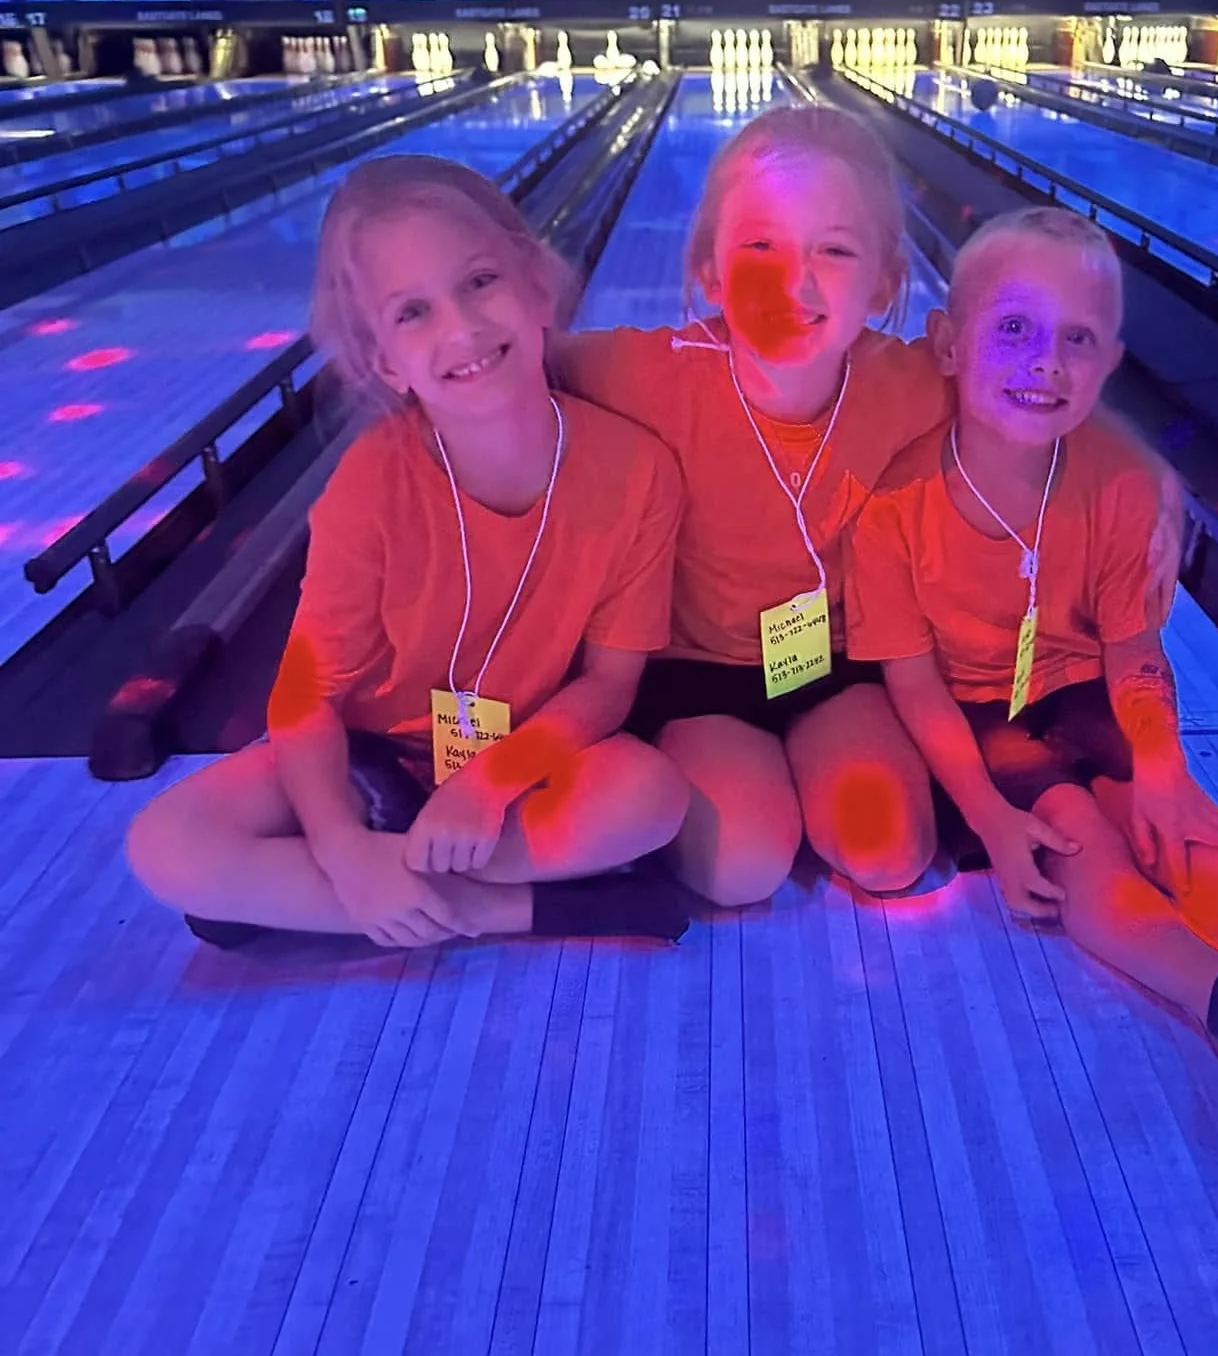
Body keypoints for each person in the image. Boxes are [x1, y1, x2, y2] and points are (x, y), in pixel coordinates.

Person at [845, 206, 1218, 1078]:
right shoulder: (895, 507)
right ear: (949, 345)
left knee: (1180, 824)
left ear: (1109, 363)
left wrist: (1160, 766)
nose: (1046, 361)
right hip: (973, 721)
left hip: (1086, 694)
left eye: (1077, 338)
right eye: (1013, 329)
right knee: (1077, 837)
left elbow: (1134, 648)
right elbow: (915, 685)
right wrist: (987, 814)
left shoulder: (1120, 484)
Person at [126, 154, 692, 952]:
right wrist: (341, 847)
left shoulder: (637, 472)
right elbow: (304, 698)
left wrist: (486, 786)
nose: (461, 328)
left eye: (481, 281)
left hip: (519, 765)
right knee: (167, 842)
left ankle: (342, 902)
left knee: (651, 797)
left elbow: (608, 685)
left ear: (537, 287)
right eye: (413, 312)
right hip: (367, 758)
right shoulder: (373, 483)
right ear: (384, 361)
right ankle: (531, 909)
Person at [554, 103, 951, 909]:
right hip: (694, 676)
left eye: (834, 250)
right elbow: (497, 369)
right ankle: (755, 786)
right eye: (760, 246)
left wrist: (1155, 488)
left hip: (835, 671)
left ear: (883, 281)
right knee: (741, 868)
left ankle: (802, 778)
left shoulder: (909, 384)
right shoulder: (644, 376)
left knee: (888, 853)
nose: (794, 282)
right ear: (711, 272)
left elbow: (1036, 399)